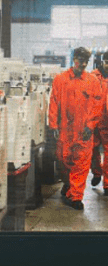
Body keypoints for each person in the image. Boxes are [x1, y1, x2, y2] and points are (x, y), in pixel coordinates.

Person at [48, 46, 103, 210]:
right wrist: (54, 125)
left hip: (84, 131)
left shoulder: (93, 81)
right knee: (64, 161)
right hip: (65, 130)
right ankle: (68, 186)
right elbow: (54, 102)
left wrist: (91, 125)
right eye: (81, 60)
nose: (83, 64)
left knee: (81, 164)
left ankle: (76, 197)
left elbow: (97, 104)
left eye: (86, 61)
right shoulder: (61, 79)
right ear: (74, 59)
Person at [89, 51, 108, 194]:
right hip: (94, 120)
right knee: (92, 149)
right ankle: (97, 172)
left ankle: (107, 184)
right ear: (102, 62)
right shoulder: (92, 76)